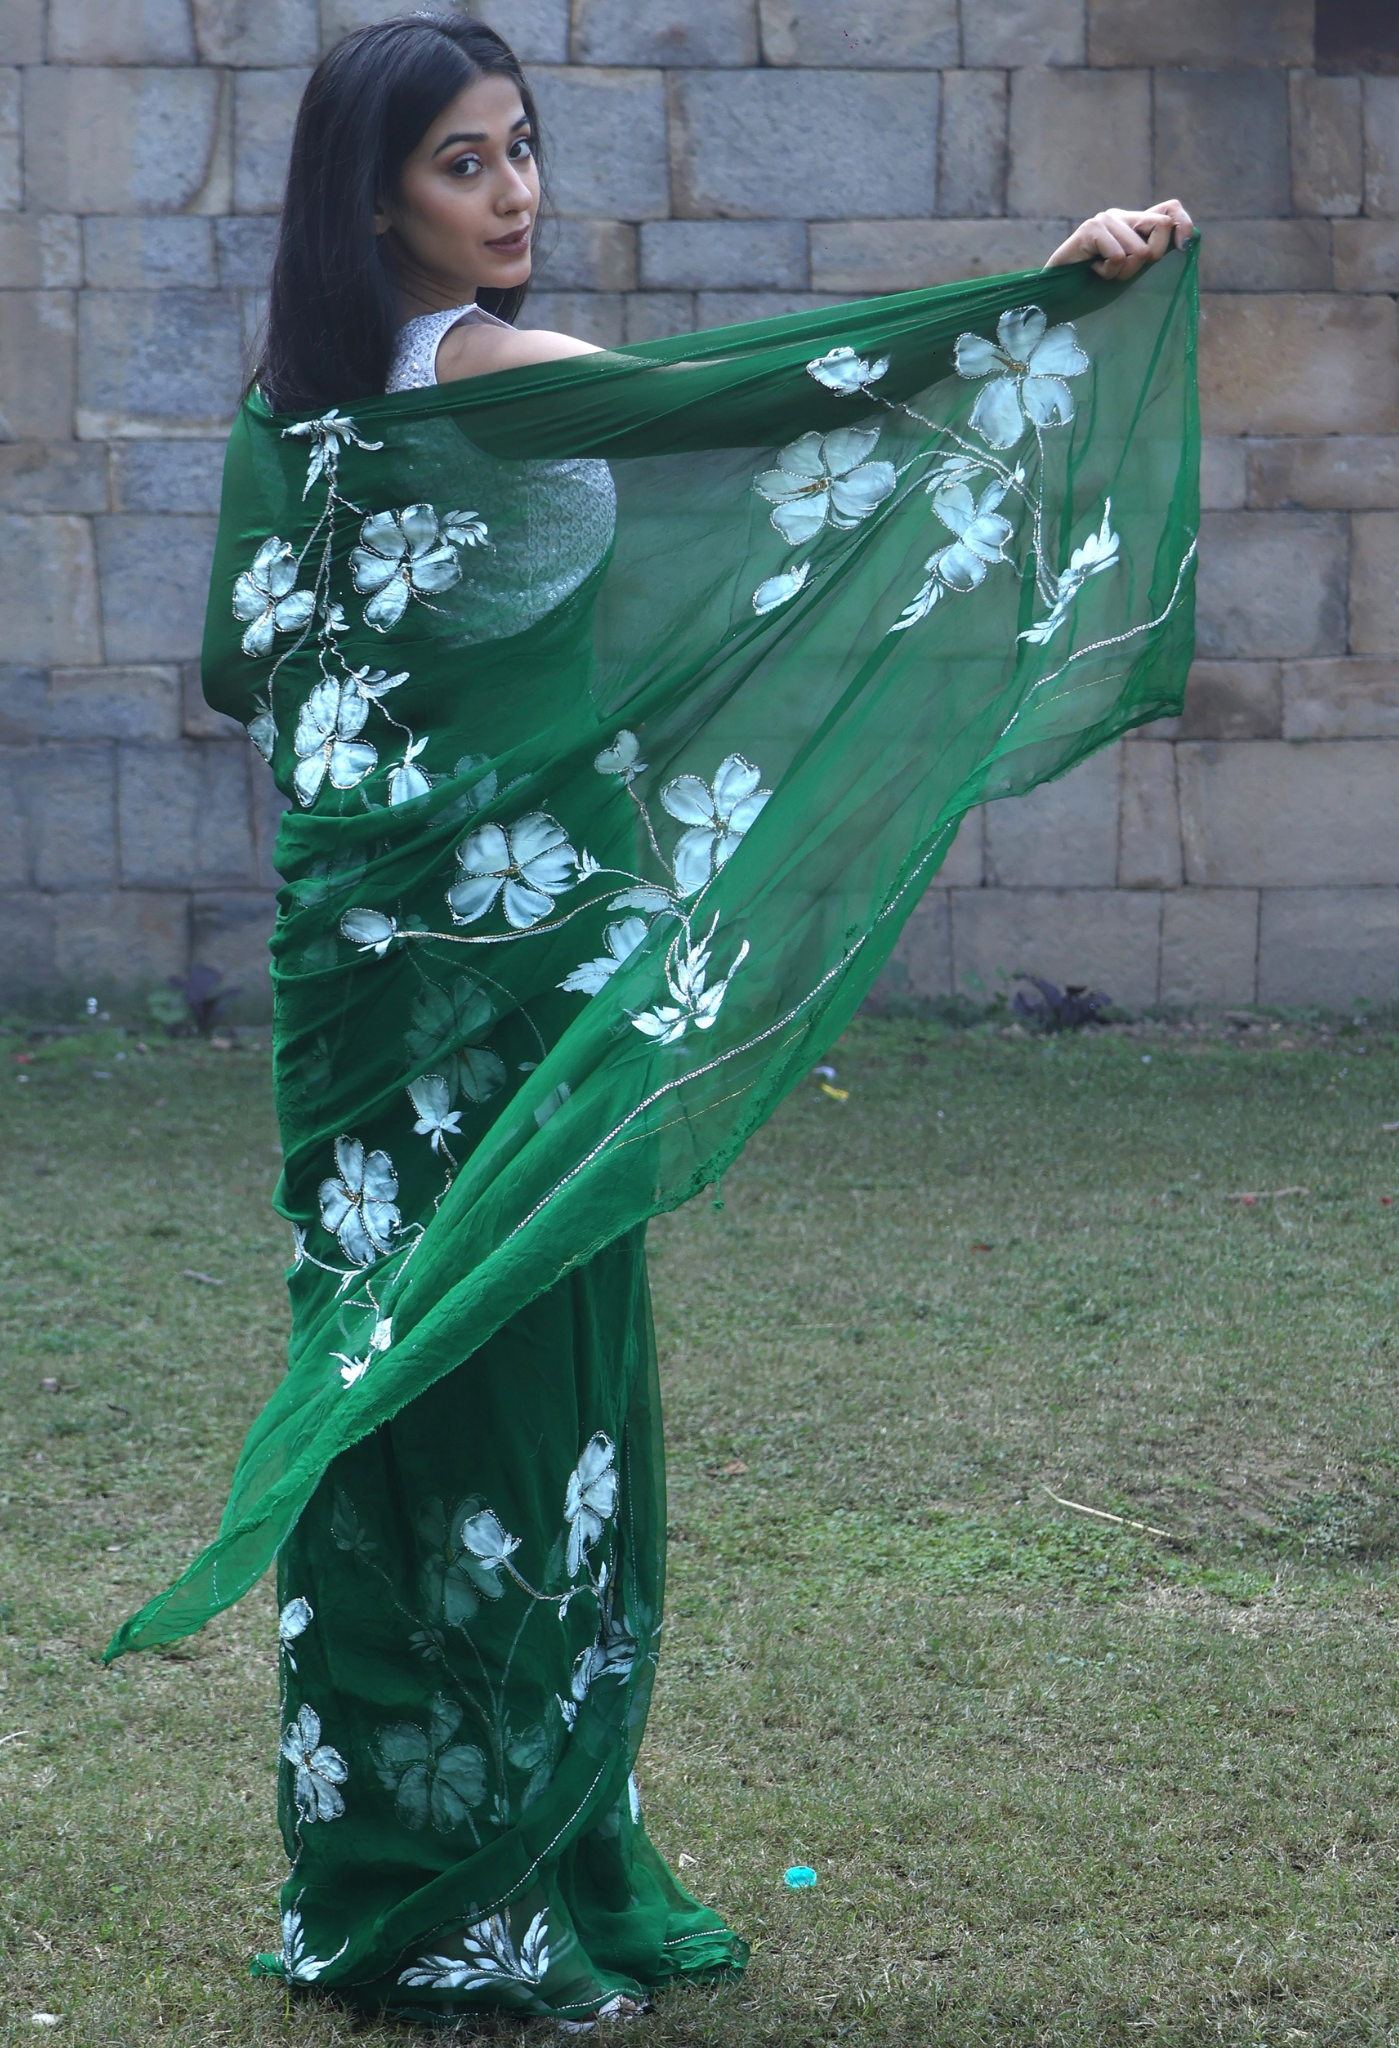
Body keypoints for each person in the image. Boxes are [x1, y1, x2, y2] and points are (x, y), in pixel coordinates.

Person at [106, 15, 1197, 2025]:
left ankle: (393, 1867)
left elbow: (243, 676)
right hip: (505, 975)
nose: (515, 193)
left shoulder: (298, 414)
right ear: (373, 201)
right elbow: (773, 398)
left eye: (522, 149)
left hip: (359, 970)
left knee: (398, 1407)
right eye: (464, 163)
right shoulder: (494, 381)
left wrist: (458, 715)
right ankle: (498, 1894)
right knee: (528, 1412)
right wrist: (1045, 297)